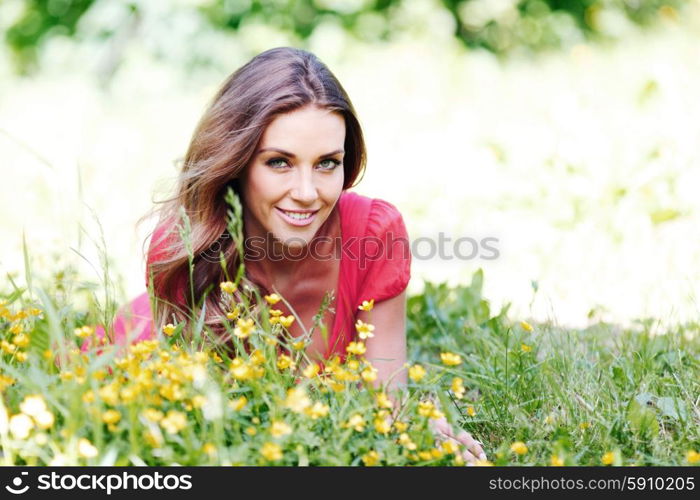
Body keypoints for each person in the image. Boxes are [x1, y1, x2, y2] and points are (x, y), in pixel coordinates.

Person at [83, 47, 486, 463]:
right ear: (235, 162)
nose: (308, 192)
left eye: (327, 163)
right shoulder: (186, 246)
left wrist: (420, 430)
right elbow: (209, 427)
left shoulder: (373, 233)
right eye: (279, 162)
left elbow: (385, 400)